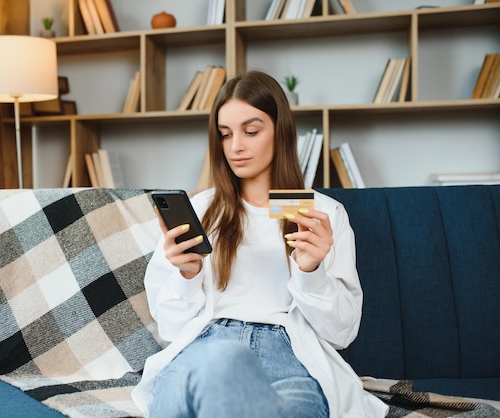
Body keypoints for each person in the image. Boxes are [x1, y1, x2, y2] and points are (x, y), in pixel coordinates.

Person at [131, 70, 387, 417]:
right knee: (190, 388)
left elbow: (340, 334)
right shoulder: (203, 209)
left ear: (280, 131)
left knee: (298, 409)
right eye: (225, 135)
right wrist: (188, 276)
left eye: (251, 131)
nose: (236, 146)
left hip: (287, 350)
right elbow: (172, 329)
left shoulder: (323, 213)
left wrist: (310, 272)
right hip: (208, 342)